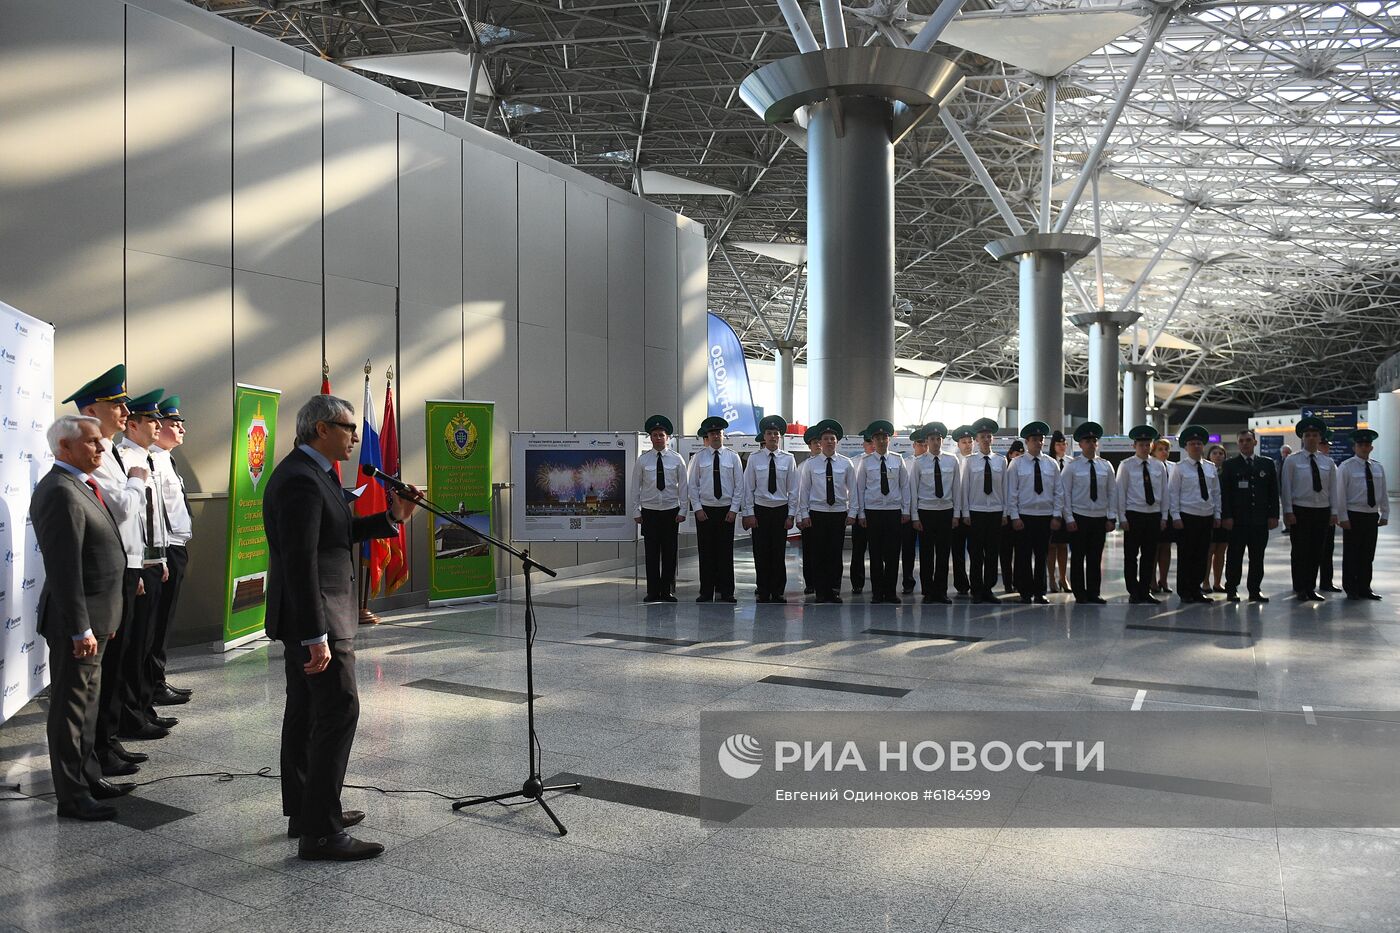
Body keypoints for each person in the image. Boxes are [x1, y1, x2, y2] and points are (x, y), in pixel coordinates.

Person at [264, 394, 416, 861]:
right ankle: (322, 832)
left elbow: (336, 534)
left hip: (322, 615)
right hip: (320, 618)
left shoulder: (314, 474)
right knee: (337, 714)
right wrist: (315, 635)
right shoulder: (300, 480)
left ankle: (307, 812)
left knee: (308, 716)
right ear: (320, 429)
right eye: (348, 428)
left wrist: (393, 517)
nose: (355, 437)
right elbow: (299, 560)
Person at [32, 415, 134, 821]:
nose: (101, 448)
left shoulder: (81, 484)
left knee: (89, 703)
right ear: (65, 449)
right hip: (80, 622)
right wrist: (80, 628)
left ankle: (90, 777)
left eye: (100, 441)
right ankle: (71, 796)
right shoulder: (59, 491)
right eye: (91, 442)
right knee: (71, 708)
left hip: (99, 615)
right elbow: (64, 570)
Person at [62, 365, 159, 778]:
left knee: (118, 665)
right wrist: (137, 480)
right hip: (107, 575)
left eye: (123, 403)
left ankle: (108, 740)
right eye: (115, 404)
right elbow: (123, 508)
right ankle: (100, 745)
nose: (124, 410)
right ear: (90, 409)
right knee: (107, 666)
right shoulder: (94, 452)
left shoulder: (111, 449)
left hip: (127, 566)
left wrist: (136, 566)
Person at [115, 390, 175, 741]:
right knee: (133, 647)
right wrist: (138, 565)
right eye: (151, 420)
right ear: (133, 425)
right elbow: (128, 518)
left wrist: (160, 556)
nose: (158, 425)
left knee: (146, 640)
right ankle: (128, 716)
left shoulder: (150, 459)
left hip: (152, 559)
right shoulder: (124, 459)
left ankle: (140, 709)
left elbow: (156, 519)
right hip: (136, 563)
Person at [147, 396, 194, 705]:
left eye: (181, 424)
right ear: (157, 426)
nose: (181, 429)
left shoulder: (166, 458)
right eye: (174, 423)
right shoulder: (148, 459)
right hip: (163, 550)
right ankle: (151, 684)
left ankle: (156, 679)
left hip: (176, 547)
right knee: (155, 623)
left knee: (163, 622)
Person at [688, 416, 746, 603]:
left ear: (724, 435)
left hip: (726, 511)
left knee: (725, 552)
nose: (715, 436)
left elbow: (740, 486)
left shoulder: (733, 456)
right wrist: (697, 508)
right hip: (705, 511)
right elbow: (692, 485)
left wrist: (734, 509)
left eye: (719, 433)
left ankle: (726, 591)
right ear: (707, 436)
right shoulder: (699, 458)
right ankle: (706, 591)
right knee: (706, 552)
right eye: (712, 433)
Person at [796, 420, 855, 603]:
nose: (829, 442)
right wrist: (803, 514)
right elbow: (803, 491)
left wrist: (852, 512)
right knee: (818, 553)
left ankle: (834, 589)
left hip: (838, 513)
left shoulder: (846, 464)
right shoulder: (811, 465)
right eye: (826, 439)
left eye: (832, 439)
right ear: (820, 443)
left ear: (837, 442)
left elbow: (853, 490)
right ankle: (821, 591)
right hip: (817, 513)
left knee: (835, 554)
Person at [854, 421, 911, 604]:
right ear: (873, 441)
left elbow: (905, 486)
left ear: (889, 439)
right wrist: (861, 514)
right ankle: (877, 592)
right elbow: (860, 489)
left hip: (893, 512)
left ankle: (891, 592)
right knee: (876, 554)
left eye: (884, 437)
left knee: (893, 554)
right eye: (878, 438)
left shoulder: (897, 459)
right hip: (873, 512)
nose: (881, 441)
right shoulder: (866, 462)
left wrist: (906, 510)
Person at [1059, 422, 1116, 604]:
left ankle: (1094, 592)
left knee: (1095, 557)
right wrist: (1068, 517)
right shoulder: (1072, 466)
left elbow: (1112, 493)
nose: (1091, 443)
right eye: (1087, 441)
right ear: (1080, 444)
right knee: (1077, 557)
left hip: (1099, 518)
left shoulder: (1106, 466)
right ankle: (1079, 593)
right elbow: (1064, 493)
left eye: (1093, 440)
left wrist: (1111, 517)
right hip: (1079, 517)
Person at [742, 415, 798, 603]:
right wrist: (749, 513)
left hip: (780, 510)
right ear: (764, 437)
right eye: (769, 433)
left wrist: (791, 515)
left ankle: (778, 591)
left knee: (778, 551)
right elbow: (748, 488)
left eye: (776, 433)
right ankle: (763, 589)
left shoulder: (789, 459)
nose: (773, 436)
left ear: (780, 437)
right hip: (761, 510)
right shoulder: (754, 458)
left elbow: (793, 489)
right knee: (761, 551)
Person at [1281, 416, 1337, 602]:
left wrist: (1334, 512)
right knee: (1299, 550)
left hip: (1321, 510)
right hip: (1300, 510)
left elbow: (1333, 489)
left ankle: (1311, 587)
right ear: (1302, 438)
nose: (1311, 438)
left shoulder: (1328, 462)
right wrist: (1288, 511)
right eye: (1308, 435)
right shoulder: (1292, 461)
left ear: (1320, 437)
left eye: (1315, 435)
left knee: (1316, 551)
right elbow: (1286, 487)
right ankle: (1300, 587)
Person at [1220, 429, 1279, 603]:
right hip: (1238, 520)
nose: (1245, 443)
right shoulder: (1230, 465)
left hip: (1259, 520)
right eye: (1241, 441)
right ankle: (1231, 589)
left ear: (1255, 442)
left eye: (1248, 440)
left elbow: (1273, 492)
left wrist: (1273, 515)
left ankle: (1255, 590)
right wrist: (1227, 516)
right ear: (1238, 444)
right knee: (1234, 556)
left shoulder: (1266, 464)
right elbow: (1226, 493)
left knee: (1257, 557)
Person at [634, 415, 687, 603]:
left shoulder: (677, 459)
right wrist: (636, 510)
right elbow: (635, 486)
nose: (658, 438)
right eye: (655, 435)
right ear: (650, 437)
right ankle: (652, 591)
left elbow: (683, 487)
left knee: (670, 552)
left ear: (668, 437)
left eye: (661, 435)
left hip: (671, 511)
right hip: (649, 511)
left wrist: (683, 511)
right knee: (651, 553)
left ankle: (667, 591)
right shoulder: (643, 460)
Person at [1006, 422, 1060, 603]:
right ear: (1027, 442)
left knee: (1041, 555)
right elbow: (1011, 492)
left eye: (1041, 439)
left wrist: (1056, 515)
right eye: (1034, 440)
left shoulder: (1051, 464)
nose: (1038, 443)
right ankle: (1025, 591)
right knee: (1023, 555)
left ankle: (1039, 591)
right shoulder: (1017, 464)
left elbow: (1058, 492)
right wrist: (1014, 516)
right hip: (1024, 516)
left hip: (1045, 516)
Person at [1168, 425, 1222, 604]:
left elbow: (1216, 493)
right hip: (1187, 516)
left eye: (1199, 443)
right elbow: (1173, 493)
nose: (1196, 446)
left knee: (1201, 555)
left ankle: (1196, 589)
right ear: (1186, 447)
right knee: (1186, 555)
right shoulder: (1179, 468)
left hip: (1206, 516)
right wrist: (1175, 516)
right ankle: (1185, 591)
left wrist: (1217, 514)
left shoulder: (1210, 467)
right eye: (1192, 443)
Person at [1117, 425, 1170, 604]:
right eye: (1141, 444)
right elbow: (1120, 492)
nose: (1145, 447)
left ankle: (1145, 590)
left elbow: (1164, 492)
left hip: (1153, 515)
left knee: (1149, 555)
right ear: (1134, 446)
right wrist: (1122, 517)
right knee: (1131, 556)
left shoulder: (1158, 465)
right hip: (1134, 515)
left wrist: (1164, 517)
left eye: (1147, 444)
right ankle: (1133, 590)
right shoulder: (1126, 465)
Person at [1334, 428, 1387, 600]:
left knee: (1367, 554)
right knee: (1352, 553)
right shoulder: (1346, 467)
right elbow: (1340, 493)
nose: (1364, 448)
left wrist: (1385, 513)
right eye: (1360, 445)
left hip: (1371, 515)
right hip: (1354, 514)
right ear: (1354, 447)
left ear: (1371, 447)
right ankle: (1351, 587)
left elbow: (1383, 492)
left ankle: (1365, 587)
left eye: (1367, 445)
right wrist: (1343, 517)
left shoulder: (1378, 467)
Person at [910, 422, 960, 604]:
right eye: (932, 439)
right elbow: (913, 491)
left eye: (938, 439)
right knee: (926, 554)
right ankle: (928, 591)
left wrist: (956, 514)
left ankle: (941, 591)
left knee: (943, 554)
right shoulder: (919, 462)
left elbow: (957, 489)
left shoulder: (951, 460)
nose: (936, 442)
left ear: (942, 440)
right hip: (926, 512)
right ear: (927, 441)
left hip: (946, 512)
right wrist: (915, 516)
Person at [960, 417, 1008, 603]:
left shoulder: (1000, 461)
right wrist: (965, 513)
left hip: (995, 512)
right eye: (982, 436)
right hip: (976, 511)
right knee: (976, 552)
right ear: (977, 440)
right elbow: (964, 488)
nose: (986, 439)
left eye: (989, 436)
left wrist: (1005, 513)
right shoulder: (970, 461)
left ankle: (988, 588)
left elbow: (1005, 487)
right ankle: (976, 590)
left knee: (992, 553)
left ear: (992, 439)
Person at [900, 426, 929, 595]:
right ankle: (908, 582)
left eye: (926, 443)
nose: (923, 447)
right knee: (908, 550)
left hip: (925, 511)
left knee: (926, 550)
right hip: (907, 513)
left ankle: (927, 583)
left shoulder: (931, 462)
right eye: (920, 444)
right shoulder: (906, 462)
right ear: (914, 445)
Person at [950, 426, 976, 596]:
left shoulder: (978, 460)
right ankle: (961, 584)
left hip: (974, 511)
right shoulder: (953, 461)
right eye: (964, 442)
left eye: (970, 441)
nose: (967, 445)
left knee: (974, 550)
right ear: (958, 444)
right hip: (956, 513)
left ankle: (976, 582)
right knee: (957, 550)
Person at [848, 434, 875, 594]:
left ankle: (878, 583)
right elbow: (851, 490)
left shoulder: (891, 460)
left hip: (876, 511)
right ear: (863, 444)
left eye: (874, 441)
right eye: (869, 442)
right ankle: (857, 582)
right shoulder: (855, 462)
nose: (872, 445)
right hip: (859, 512)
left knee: (877, 550)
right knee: (858, 549)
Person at [1203, 444, 1230, 593]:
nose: (1218, 455)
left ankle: (1217, 582)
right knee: (1209, 550)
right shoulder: (1206, 470)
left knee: (1221, 550)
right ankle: (1205, 581)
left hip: (1225, 515)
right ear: (1209, 455)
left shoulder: (1228, 472)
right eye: (1215, 453)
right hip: (1210, 514)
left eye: (1221, 453)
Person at [1047, 430, 1071, 593]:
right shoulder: (1048, 462)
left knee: (1064, 546)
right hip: (1052, 509)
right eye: (1058, 444)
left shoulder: (1072, 462)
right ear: (1053, 446)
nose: (1061, 447)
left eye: (1064, 444)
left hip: (1067, 510)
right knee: (1051, 547)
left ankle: (1063, 578)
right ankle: (1051, 578)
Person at [1316, 438, 1342, 593]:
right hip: (1309, 510)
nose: (1327, 448)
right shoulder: (1301, 462)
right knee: (1308, 550)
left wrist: (1336, 512)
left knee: (1328, 549)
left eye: (1328, 445)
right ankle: (1303, 584)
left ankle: (1327, 581)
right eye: (1324, 445)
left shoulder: (1331, 464)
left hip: (1326, 511)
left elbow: (1335, 491)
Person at [1151, 438, 1175, 595]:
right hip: (1154, 511)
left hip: (1170, 511)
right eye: (1160, 449)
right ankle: (1151, 580)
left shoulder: (1174, 467)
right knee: (1153, 548)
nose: (1164, 452)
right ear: (1154, 451)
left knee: (1166, 547)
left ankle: (1164, 579)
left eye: (1166, 449)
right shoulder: (1150, 466)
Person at [1000, 440, 1024, 591]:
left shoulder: (1024, 471)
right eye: (1016, 454)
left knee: (1020, 552)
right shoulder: (1003, 470)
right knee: (1005, 553)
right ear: (1010, 455)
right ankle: (1007, 583)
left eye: (1021, 454)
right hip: (1005, 517)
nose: (1018, 457)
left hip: (1019, 515)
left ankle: (1018, 581)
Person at [799, 426, 821, 595]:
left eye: (820, 442)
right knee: (809, 551)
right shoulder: (802, 467)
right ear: (809, 446)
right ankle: (810, 582)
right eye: (815, 443)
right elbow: (798, 494)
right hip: (808, 514)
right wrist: (800, 516)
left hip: (826, 512)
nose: (819, 445)